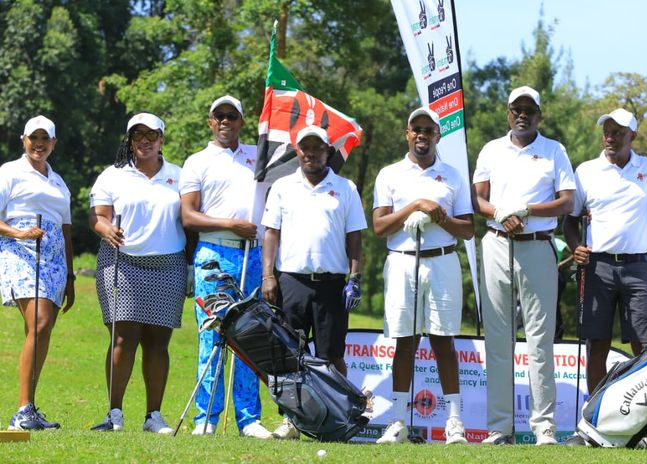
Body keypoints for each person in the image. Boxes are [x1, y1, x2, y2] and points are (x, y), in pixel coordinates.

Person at [473, 86, 575, 445]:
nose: (522, 115)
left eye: (529, 110)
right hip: (497, 244)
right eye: (517, 109)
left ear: (538, 115)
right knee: (498, 339)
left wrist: (527, 210)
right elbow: (477, 198)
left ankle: (543, 426)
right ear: (508, 113)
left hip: (537, 246)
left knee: (540, 339)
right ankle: (500, 428)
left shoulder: (553, 150)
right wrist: (500, 212)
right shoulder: (491, 149)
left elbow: (566, 202)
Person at [373, 107, 474, 445]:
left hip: (442, 260)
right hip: (402, 261)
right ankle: (398, 420)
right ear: (407, 133)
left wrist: (439, 216)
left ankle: (454, 421)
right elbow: (379, 226)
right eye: (416, 129)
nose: (422, 135)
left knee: (443, 341)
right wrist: (414, 206)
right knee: (405, 340)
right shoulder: (390, 174)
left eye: (429, 130)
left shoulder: (453, 175)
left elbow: (469, 230)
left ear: (437, 136)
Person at [260, 125, 367, 440]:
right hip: (291, 281)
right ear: (298, 150)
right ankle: (292, 421)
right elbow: (271, 233)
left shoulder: (345, 187)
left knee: (331, 355)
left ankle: (340, 418)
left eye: (317, 148)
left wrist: (355, 277)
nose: (310, 153)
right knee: (290, 354)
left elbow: (355, 236)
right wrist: (268, 275)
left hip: (331, 283)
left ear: (328, 151)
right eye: (304, 147)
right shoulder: (282, 186)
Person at [179, 95, 272, 438]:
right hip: (213, 255)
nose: (225, 121)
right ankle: (206, 417)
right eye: (219, 116)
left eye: (231, 116)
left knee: (251, 336)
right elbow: (189, 215)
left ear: (241, 122)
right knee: (211, 334)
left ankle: (249, 419)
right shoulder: (197, 161)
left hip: (253, 254)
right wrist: (231, 224)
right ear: (210, 122)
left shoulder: (258, 157)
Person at [563, 108, 647, 407]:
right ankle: (596, 412)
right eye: (607, 131)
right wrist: (575, 247)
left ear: (632, 136)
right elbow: (570, 220)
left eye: (618, 133)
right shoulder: (586, 171)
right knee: (597, 343)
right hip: (597, 267)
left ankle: (643, 413)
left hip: (638, 267)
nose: (610, 137)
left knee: (644, 343)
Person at [88, 113, 186, 434]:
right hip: (122, 263)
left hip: (168, 265)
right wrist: (106, 230)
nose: (144, 140)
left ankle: (153, 416)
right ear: (129, 140)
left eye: (151, 134)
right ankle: (114, 413)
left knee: (158, 343)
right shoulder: (112, 176)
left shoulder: (179, 176)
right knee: (123, 338)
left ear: (162, 140)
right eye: (137, 134)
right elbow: (98, 216)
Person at [0, 115, 74, 430]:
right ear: (24, 140)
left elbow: (67, 228)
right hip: (20, 252)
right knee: (40, 323)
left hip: (56, 259)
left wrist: (71, 276)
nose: (39, 144)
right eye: (34, 138)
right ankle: (21, 410)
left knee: (41, 331)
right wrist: (19, 234)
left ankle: (29, 408)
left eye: (45, 139)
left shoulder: (58, 181)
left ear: (54, 143)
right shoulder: (9, 172)